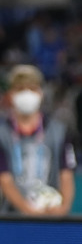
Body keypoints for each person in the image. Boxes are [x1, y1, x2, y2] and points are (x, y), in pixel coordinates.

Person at [0, 64, 76, 215]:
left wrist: (63, 209)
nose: (26, 94)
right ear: (10, 94)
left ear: (41, 93)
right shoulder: (2, 133)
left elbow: (66, 175)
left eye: (32, 88)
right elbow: (4, 179)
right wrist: (27, 210)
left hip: (50, 215)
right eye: (20, 89)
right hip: (10, 218)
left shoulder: (58, 131)